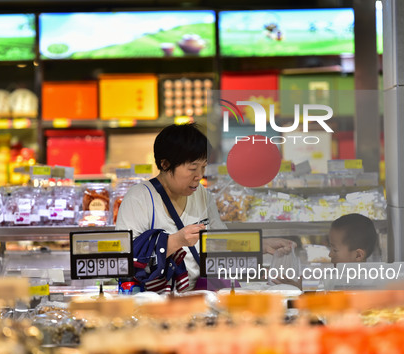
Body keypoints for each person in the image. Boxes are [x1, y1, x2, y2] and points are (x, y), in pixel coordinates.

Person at [116, 123, 295, 292]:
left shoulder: (201, 194)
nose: (199, 176)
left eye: (203, 167)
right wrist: (175, 241)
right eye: (192, 168)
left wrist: (260, 245)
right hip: (153, 299)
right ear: (165, 164)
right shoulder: (139, 198)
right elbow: (125, 261)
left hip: (198, 295)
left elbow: (220, 242)